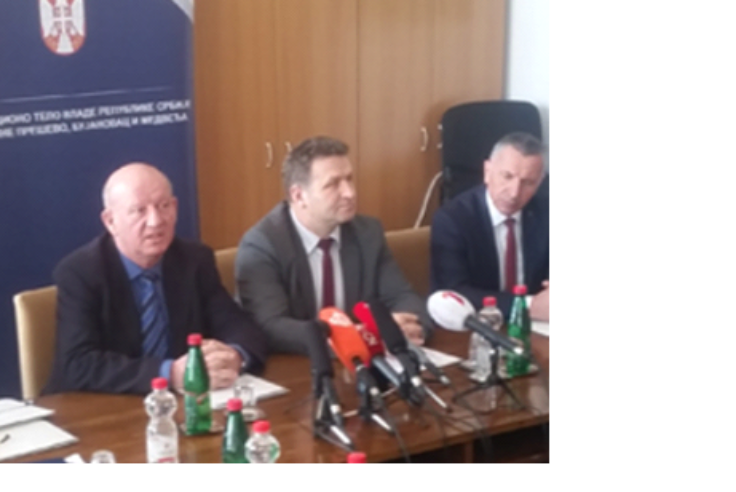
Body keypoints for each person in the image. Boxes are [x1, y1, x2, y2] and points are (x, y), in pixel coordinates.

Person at [45, 163, 267, 396]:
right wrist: (169, 373)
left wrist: (234, 356)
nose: (156, 221)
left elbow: (238, 324)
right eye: (139, 211)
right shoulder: (81, 272)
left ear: (175, 208)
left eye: (164, 206)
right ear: (111, 221)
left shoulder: (194, 260)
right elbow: (77, 364)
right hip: (105, 404)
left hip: (183, 403)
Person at [236, 136, 432, 355]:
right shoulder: (263, 245)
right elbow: (271, 326)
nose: (350, 193)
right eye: (333, 184)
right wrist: (352, 337)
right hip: (300, 363)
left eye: (349, 179)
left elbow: (403, 297)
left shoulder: (367, 233)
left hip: (366, 363)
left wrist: (405, 327)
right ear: (299, 196)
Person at [430, 132, 549, 320]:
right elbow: (454, 293)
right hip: (478, 324)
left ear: (540, 182)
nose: (514, 193)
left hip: (538, 326)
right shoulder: (453, 219)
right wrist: (528, 305)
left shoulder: (547, 213)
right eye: (507, 176)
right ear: (487, 172)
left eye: (528, 183)